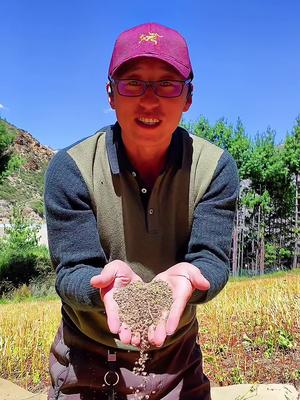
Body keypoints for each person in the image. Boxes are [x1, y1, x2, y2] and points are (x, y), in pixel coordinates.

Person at [45, 22, 239, 400]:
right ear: (111, 94)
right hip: (86, 352)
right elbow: (71, 270)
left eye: (167, 84)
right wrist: (100, 286)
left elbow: (211, 259)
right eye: (132, 83)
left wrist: (189, 275)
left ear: (188, 97)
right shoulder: (72, 168)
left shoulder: (214, 167)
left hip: (177, 356)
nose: (149, 101)